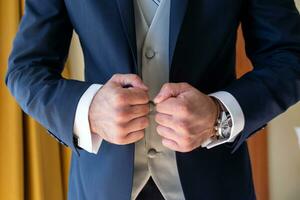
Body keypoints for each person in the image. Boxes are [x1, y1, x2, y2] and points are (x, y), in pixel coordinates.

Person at [5, 0, 300, 199]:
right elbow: (25, 70)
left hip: (214, 184)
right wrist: (90, 111)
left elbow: (290, 57)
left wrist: (218, 114)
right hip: (102, 186)